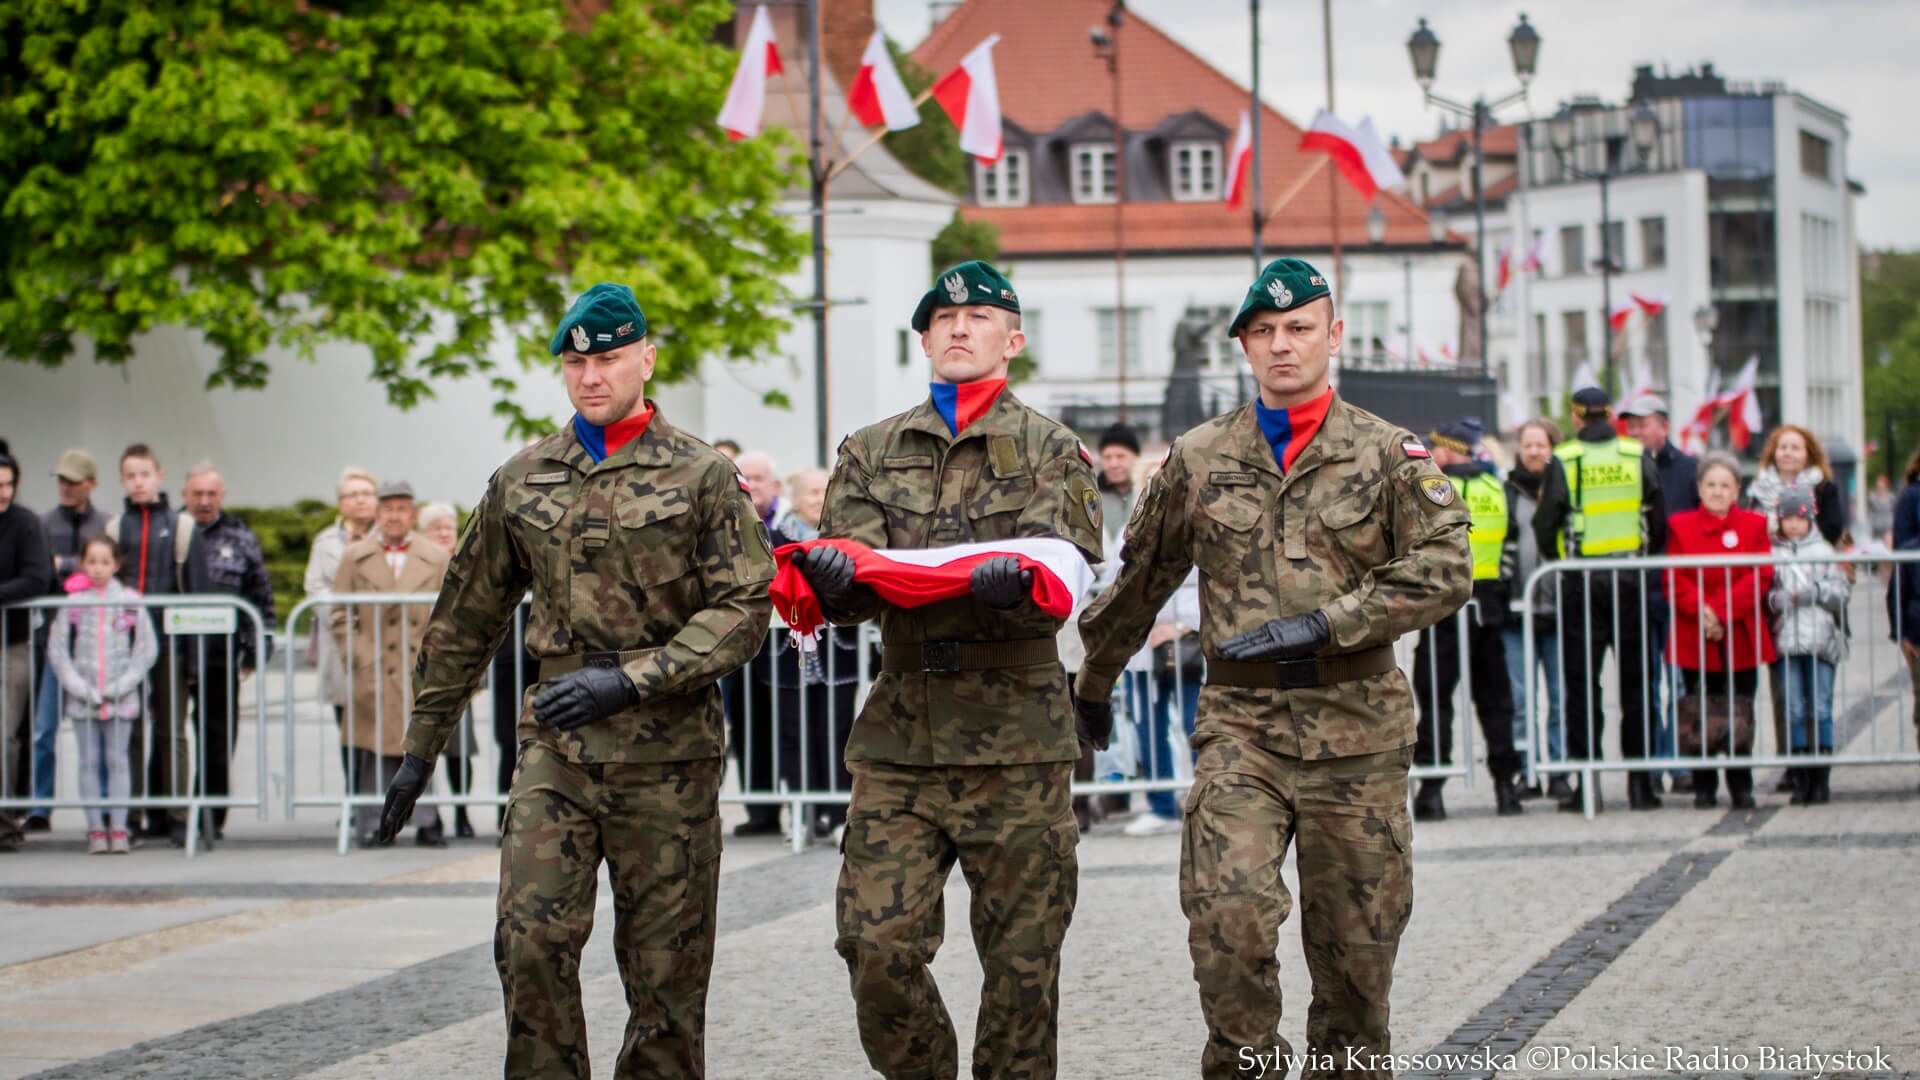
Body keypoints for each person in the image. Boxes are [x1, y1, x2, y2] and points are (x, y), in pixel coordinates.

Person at [1076, 257, 1470, 1078]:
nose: (1281, 345)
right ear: (1245, 347)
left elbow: (1443, 568)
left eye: (1298, 329)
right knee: (1228, 920)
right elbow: (1140, 579)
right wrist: (1092, 682)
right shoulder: (1198, 456)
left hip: (1357, 732)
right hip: (1241, 732)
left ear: (1333, 335)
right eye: (1263, 332)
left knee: (1357, 959)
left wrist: (1331, 623)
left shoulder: (1387, 453)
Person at [374, 282, 774, 1077]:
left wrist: (634, 680)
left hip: (669, 755)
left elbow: (743, 608)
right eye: (576, 361)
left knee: (666, 974)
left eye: (610, 359)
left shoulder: (701, 475)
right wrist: (420, 749)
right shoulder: (524, 478)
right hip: (556, 744)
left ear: (646, 359)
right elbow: (464, 618)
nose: (592, 376)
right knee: (530, 941)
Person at [793, 260, 1102, 1080]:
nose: (959, 327)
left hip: (1017, 744)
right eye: (943, 317)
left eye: (979, 315)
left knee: (1023, 968)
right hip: (903, 739)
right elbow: (856, 585)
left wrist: (1014, 591)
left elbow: (1059, 571)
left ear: (1014, 338)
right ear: (925, 338)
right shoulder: (868, 450)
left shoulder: (1052, 448)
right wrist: (834, 584)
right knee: (873, 946)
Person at [1533, 386, 1668, 812]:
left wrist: (1562, 562)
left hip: (1582, 581)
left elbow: (1545, 525)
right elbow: (1658, 520)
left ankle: (1587, 785)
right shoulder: (1635, 455)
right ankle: (1641, 784)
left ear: (1576, 417)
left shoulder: (1567, 459)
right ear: (1611, 415)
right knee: (1638, 684)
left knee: (1581, 686)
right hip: (1631, 578)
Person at [1410, 418, 1525, 820]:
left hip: (1444, 607)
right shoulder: (1497, 487)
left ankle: (1432, 790)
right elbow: (1510, 543)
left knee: (1436, 700)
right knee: (1496, 704)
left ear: (1447, 449)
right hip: (1488, 608)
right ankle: (1506, 789)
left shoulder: (1435, 488)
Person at [159, 462, 274, 848]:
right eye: (197, 494)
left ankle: (210, 813)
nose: (204, 502)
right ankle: (165, 812)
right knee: (168, 732)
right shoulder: (170, 532)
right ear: (184, 495)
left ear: (221, 496)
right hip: (173, 649)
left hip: (220, 651)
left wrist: (256, 651)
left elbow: (260, 594)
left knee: (217, 735)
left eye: (211, 494)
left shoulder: (239, 536)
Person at [331, 481, 450, 848]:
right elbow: (338, 614)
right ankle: (375, 821)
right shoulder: (355, 556)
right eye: (388, 509)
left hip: (418, 664)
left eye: (402, 509)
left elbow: (451, 611)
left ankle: (427, 819)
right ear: (377, 514)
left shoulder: (435, 556)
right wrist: (358, 654)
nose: (395, 516)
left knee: (420, 744)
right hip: (375, 664)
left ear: (412, 514)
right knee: (374, 747)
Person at [1666, 453, 1774, 809]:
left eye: (1724, 485)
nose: (1716, 491)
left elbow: (1760, 575)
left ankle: (1740, 783)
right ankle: (1703, 784)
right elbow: (1673, 576)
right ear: (1699, 488)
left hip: (1738, 631)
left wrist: (1722, 612)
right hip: (1693, 632)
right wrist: (1703, 612)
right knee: (1698, 710)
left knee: (1741, 707)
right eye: (1710, 484)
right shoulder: (1679, 526)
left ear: (1736, 490)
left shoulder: (1754, 526)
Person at [1746, 424, 1848, 792]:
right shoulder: (1758, 490)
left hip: (1819, 623)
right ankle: (1794, 761)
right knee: (1787, 698)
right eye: (1783, 447)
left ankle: (1818, 767)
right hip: (1784, 624)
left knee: (1818, 699)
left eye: (1796, 447)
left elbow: (1835, 532)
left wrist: (1814, 590)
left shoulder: (1824, 489)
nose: (1788, 453)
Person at [47, 536, 159, 854]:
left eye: (105, 562)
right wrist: (81, 688)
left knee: (118, 760)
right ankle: (96, 828)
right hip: (83, 696)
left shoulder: (130, 601)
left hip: (120, 696)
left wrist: (120, 686)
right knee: (88, 761)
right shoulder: (73, 604)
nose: (98, 569)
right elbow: (58, 651)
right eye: (92, 562)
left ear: (116, 564)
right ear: (83, 564)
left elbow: (145, 649)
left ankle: (120, 827)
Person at [28, 448, 107, 830]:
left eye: (73, 482)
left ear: (91, 483)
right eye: (61, 480)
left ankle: (107, 804)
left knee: (99, 729)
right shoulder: (42, 524)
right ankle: (39, 806)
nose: (66, 488)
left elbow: (108, 569)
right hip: (53, 642)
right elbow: (40, 572)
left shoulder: (106, 524)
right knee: (43, 728)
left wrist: (69, 566)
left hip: (97, 646)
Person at [107, 444, 180, 835]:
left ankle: (174, 814)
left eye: (144, 474)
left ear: (158, 475)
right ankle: (129, 815)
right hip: (124, 646)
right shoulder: (117, 527)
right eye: (131, 475)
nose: (138, 481)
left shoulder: (178, 525)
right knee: (130, 732)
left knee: (169, 730)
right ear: (123, 480)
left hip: (167, 642)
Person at [1503, 419, 1569, 800]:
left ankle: (1558, 771)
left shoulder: (1563, 488)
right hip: (1517, 610)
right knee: (1521, 699)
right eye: (1527, 444)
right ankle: (1527, 772)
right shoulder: (1507, 490)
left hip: (1557, 609)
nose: (1533, 451)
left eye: (1540, 444)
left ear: (1552, 448)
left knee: (1559, 697)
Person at [1768, 488, 1848, 805]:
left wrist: (1814, 591)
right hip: (1787, 640)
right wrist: (1781, 599)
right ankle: (1800, 775)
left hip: (1820, 639)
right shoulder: (1774, 553)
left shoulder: (1825, 551)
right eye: (1786, 519)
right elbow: (1768, 594)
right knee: (1793, 708)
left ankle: (1821, 776)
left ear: (1809, 518)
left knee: (1821, 706)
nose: (1793, 525)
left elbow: (1841, 591)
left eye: (1798, 518)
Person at [303, 467, 380, 796]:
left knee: (387, 730)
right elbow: (316, 587)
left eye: (366, 493)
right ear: (340, 503)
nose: (360, 500)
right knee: (349, 729)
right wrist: (340, 620)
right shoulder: (325, 543)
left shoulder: (390, 538)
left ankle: (385, 802)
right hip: (342, 646)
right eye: (353, 494)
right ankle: (355, 800)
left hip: (384, 643)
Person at [727, 449, 785, 836]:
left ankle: (804, 807)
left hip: (785, 645)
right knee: (748, 726)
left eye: (759, 478)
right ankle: (760, 809)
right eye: (744, 477)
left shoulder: (790, 523)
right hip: (739, 645)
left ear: (775, 485)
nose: (752, 484)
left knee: (792, 727)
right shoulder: (724, 522)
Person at [0, 447, 52, 852]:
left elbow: (38, 578)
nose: (2, 493)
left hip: (11, 641)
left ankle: (6, 816)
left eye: (8, 485)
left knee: (6, 734)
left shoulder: (26, 523)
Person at [1096, 423, 1142, 554]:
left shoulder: (1148, 495)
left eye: (1121, 456)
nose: (1113, 464)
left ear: (1136, 457)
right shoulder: (1091, 498)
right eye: (1107, 457)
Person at [772, 468, 827, 541]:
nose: (822, 500)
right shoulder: (775, 540)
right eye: (814, 492)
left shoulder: (842, 538)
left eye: (826, 492)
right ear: (795, 500)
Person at [1868, 473, 1896, 548]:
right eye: (1878, 482)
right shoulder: (1872, 498)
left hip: (1888, 529)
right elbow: (1871, 513)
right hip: (1877, 529)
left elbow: (1894, 512)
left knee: (1888, 548)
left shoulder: (1892, 498)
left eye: (1881, 482)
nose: (1879, 485)